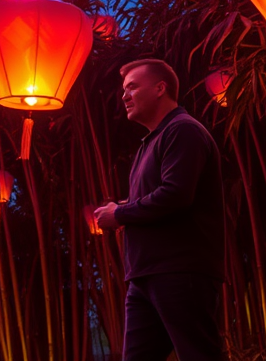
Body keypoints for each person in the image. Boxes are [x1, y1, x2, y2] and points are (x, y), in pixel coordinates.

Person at [94, 59, 225, 361]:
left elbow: (176, 195)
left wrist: (120, 214)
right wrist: (123, 207)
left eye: (132, 87)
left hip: (179, 271)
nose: (124, 96)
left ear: (160, 88)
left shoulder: (183, 130)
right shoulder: (149, 143)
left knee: (200, 354)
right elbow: (158, 196)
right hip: (145, 275)